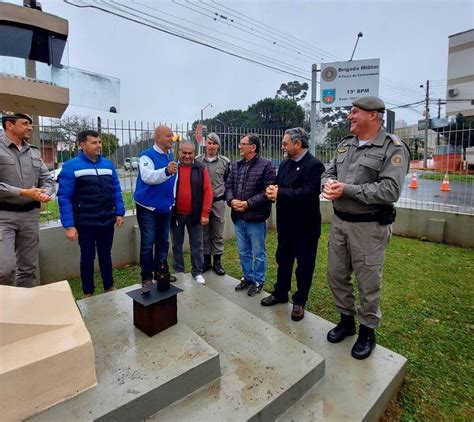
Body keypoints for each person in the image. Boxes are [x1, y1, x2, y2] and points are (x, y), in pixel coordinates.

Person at [321, 96, 410, 359]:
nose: (349, 116)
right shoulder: (345, 145)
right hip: (340, 223)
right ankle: (346, 320)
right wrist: (327, 184)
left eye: (354, 112)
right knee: (336, 275)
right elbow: (328, 172)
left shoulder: (392, 147)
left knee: (368, 282)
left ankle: (368, 330)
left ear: (374, 115)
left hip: (369, 227)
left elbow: (390, 190)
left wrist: (346, 189)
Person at [262, 127, 325, 321]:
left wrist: (280, 193)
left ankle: (299, 301)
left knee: (304, 267)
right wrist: (272, 189)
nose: (283, 146)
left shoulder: (314, 166)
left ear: (297, 144)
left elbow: (307, 193)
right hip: (286, 226)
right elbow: (279, 183)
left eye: (285, 143)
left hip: (305, 228)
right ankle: (281, 293)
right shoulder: (287, 164)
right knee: (283, 260)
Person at [58, 130, 125, 298]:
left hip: (106, 220)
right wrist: (69, 226)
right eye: (94, 143)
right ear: (82, 145)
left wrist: (119, 212)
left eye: (99, 142)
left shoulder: (108, 165)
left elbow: (116, 190)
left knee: (105, 255)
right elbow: (64, 197)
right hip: (85, 222)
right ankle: (88, 291)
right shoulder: (71, 166)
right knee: (87, 257)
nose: (99, 145)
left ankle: (109, 286)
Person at [0, 112, 54, 287]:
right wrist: (24, 192)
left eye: (30, 124)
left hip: (30, 216)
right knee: (5, 269)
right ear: (9, 125)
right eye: (25, 124)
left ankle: (24, 307)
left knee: (28, 268)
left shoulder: (34, 152)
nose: (30, 127)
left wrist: (44, 192)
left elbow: (46, 178)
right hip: (4, 216)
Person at [225, 134, 275, 297]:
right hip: (238, 217)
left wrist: (247, 204)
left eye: (243, 144)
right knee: (243, 251)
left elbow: (267, 192)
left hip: (255, 218)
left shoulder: (266, 165)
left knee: (258, 252)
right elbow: (229, 186)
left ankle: (259, 281)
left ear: (253, 147)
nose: (239, 146)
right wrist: (232, 201)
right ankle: (248, 277)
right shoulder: (236, 165)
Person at [134, 125, 178, 289]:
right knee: (148, 242)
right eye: (168, 136)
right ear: (158, 137)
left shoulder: (171, 155)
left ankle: (161, 271)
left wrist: (172, 199)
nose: (171, 138)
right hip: (148, 207)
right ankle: (146, 276)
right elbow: (147, 177)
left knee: (163, 242)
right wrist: (166, 171)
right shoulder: (146, 156)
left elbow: (174, 180)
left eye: (172, 135)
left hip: (165, 207)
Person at [171, 141, 213, 284]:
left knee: (197, 246)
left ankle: (197, 272)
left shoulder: (201, 169)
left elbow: (208, 191)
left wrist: (205, 213)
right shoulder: (173, 168)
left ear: (194, 153)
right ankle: (179, 271)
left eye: (190, 153)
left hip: (195, 215)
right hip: (176, 215)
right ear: (179, 152)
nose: (187, 156)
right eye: (184, 153)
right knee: (177, 245)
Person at [195, 133, 230, 276]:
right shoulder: (197, 161)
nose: (211, 146)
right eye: (209, 143)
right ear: (205, 144)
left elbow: (228, 181)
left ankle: (217, 261)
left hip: (217, 202)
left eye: (214, 143)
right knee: (204, 233)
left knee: (218, 232)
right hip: (202, 203)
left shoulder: (225, 162)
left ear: (218, 146)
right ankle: (206, 261)